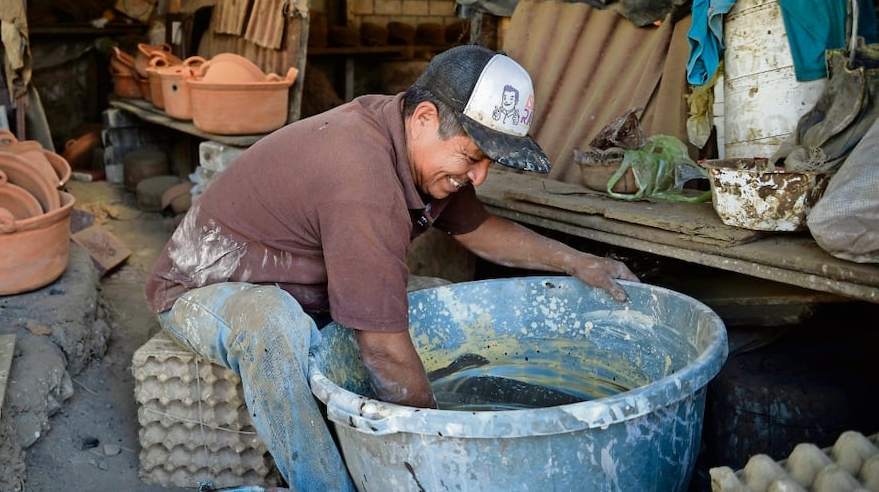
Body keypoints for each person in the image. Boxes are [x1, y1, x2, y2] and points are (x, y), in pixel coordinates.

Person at [144, 44, 638, 491]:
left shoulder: (412, 142)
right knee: (276, 328)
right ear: (424, 117)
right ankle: (323, 486)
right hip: (207, 287)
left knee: (432, 298)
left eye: (489, 162)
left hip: (298, 280)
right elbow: (383, 351)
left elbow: (480, 230)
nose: (479, 177)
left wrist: (579, 261)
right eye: (471, 156)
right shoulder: (361, 174)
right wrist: (440, 447)